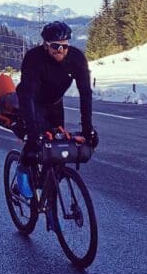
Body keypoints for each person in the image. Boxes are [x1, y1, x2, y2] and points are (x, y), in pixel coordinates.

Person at [14, 21, 99, 198]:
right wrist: (32, 134)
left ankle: (48, 189)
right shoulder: (33, 58)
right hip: (31, 101)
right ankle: (23, 168)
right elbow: (27, 95)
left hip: (54, 103)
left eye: (64, 46)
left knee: (58, 150)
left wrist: (88, 129)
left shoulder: (76, 58)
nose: (60, 51)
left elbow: (85, 94)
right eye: (55, 46)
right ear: (45, 45)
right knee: (36, 142)